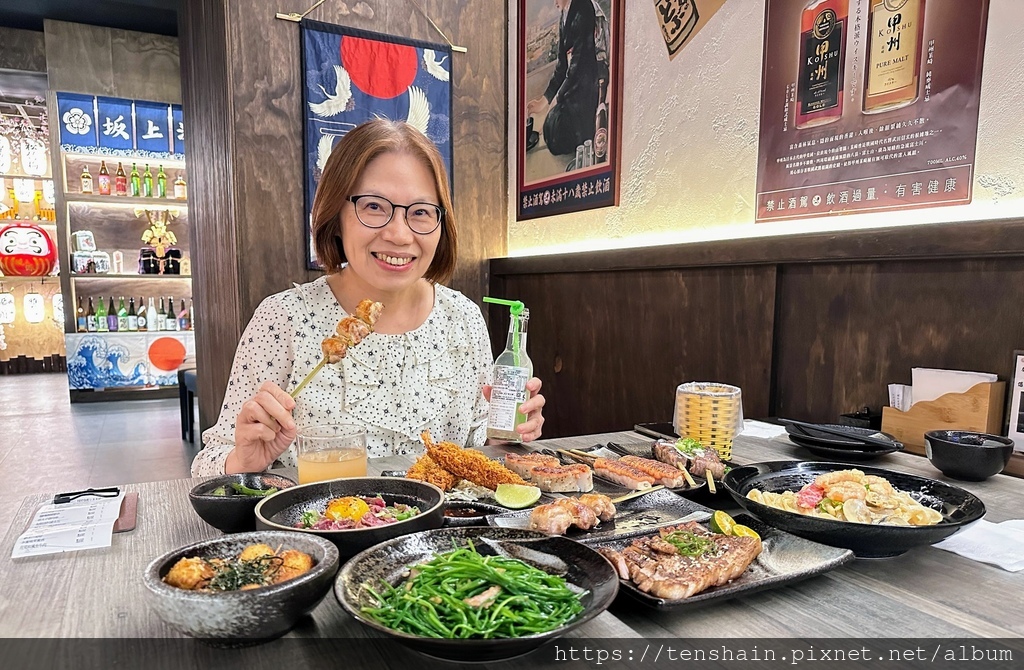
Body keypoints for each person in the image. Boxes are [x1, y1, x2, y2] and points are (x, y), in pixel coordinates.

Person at [192, 120, 546, 476]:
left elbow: (478, 453)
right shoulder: (283, 318)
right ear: (336, 213)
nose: (398, 234)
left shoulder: (463, 320)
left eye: (420, 212)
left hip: (435, 532)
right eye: (374, 207)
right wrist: (241, 462)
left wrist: (507, 439)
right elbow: (206, 466)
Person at [526, 0, 601, 157]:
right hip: (571, 87)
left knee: (556, 130)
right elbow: (561, 66)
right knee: (550, 131)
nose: (554, 3)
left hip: (585, 87)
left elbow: (577, 67)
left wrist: (555, 102)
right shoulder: (564, 15)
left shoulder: (583, 8)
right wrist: (543, 102)